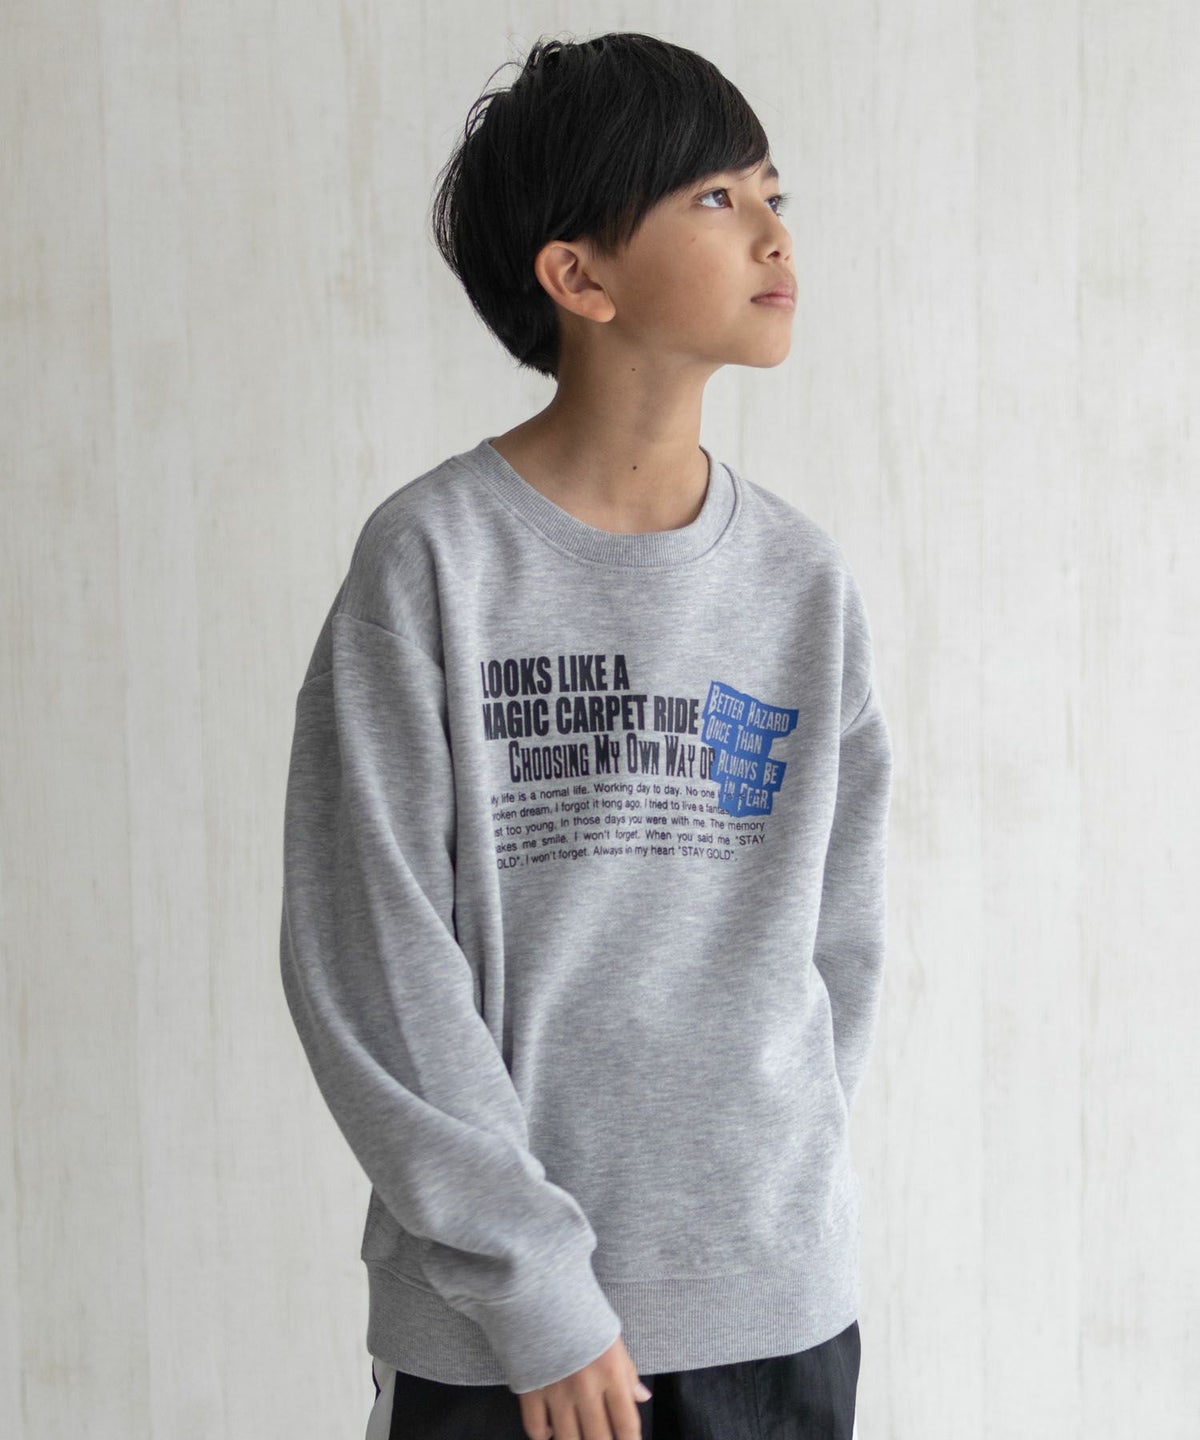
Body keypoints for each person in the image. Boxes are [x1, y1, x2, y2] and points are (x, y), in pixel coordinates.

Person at [280, 30, 890, 1440]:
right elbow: (369, 955)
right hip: (501, 1338)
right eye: (716, 197)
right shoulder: (433, 562)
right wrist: (536, 1288)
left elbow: (838, 945)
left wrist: (766, 1209)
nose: (774, 233)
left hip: (773, 1310)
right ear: (580, 276)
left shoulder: (803, 582)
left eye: (774, 192)